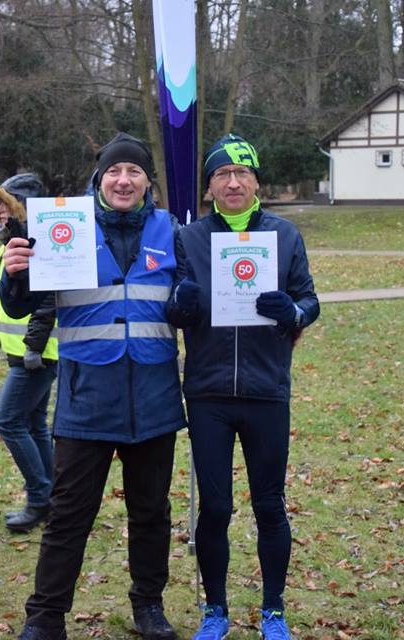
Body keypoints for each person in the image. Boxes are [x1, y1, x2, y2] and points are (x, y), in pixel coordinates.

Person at [0, 133, 186, 640]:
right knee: (68, 515)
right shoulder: (67, 227)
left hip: (153, 397)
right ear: (100, 178)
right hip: (87, 398)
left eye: (134, 172)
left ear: (148, 181)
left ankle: (149, 607)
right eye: (114, 172)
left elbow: (190, 304)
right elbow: (20, 303)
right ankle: (45, 617)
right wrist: (15, 275)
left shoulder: (170, 230)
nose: (123, 180)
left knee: (151, 513)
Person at [167, 134, 320, 640]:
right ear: (209, 186)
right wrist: (181, 305)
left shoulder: (284, 235)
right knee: (215, 508)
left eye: (242, 173)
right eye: (221, 174)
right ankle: (215, 610)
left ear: (256, 182)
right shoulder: (189, 238)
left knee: (269, 505)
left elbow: (309, 301)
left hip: (266, 391)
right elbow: (172, 306)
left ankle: (273, 610)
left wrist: (292, 312)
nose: (232, 182)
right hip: (209, 393)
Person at [0, 173, 59, 533]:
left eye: (6, 205)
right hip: (23, 356)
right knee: (34, 424)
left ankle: (40, 499)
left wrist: (33, 349)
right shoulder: (7, 248)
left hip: (38, 356)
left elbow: (48, 302)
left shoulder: (37, 246)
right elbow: (0, 306)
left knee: (8, 422)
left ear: (23, 209)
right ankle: (55, 497)